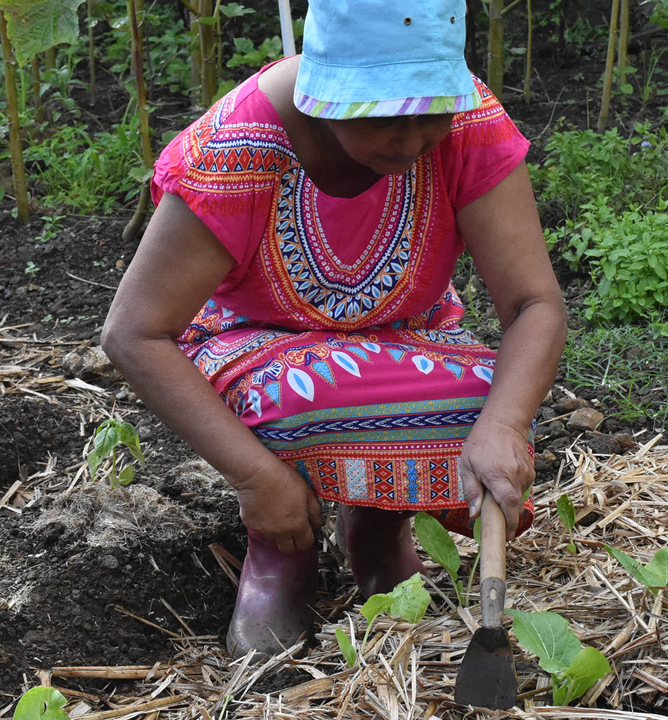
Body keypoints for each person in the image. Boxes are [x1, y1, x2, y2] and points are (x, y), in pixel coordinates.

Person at [101, 0, 567, 657]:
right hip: (251, 344)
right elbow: (134, 332)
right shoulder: (243, 142)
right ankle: (280, 547)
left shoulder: (471, 126)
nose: (411, 145)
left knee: (488, 395)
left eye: (431, 115)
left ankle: (376, 532)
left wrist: (503, 425)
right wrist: (257, 482)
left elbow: (533, 306)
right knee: (303, 393)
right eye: (383, 120)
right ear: (324, 95)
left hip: (403, 336)